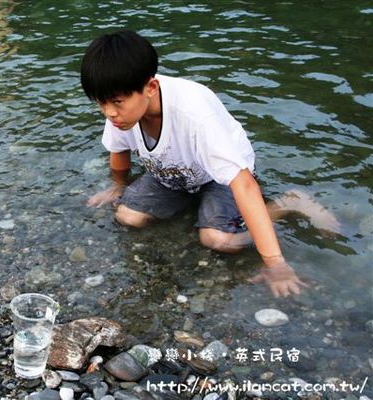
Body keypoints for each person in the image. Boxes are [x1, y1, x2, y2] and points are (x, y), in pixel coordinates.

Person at [80, 30, 339, 297]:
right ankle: (193, 206)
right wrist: (117, 185)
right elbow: (119, 149)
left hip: (218, 177)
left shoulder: (195, 115)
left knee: (217, 240)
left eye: (116, 103)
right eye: (101, 103)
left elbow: (244, 184)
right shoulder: (122, 109)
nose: (109, 112)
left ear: (150, 88)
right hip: (172, 173)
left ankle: (289, 202)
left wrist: (275, 264)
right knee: (127, 215)